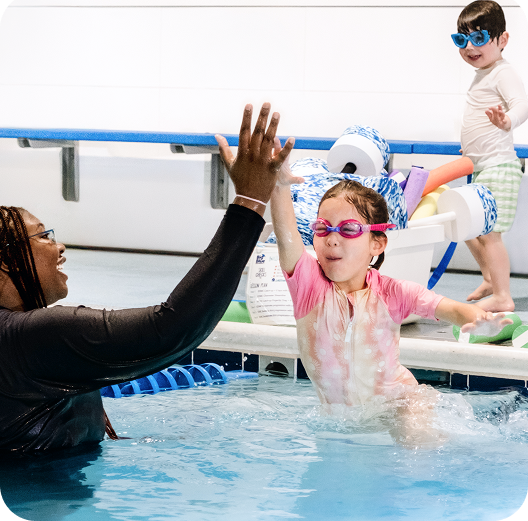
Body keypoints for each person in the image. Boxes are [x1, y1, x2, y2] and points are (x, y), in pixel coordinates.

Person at [0, 103, 294, 454]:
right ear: (5, 264)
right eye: (43, 235)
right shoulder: (32, 338)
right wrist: (249, 202)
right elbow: (171, 328)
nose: (58, 246)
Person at [270, 155, 511, 447]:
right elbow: (286, 236)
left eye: (348, 230)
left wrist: (477, 319)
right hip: (344, 421)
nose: (332, 239)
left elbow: (448, 308)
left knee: (415, 444)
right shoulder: (309, 288)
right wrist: (279, 186)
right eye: (323, 229)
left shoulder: (393, 293)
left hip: (403, 405)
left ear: (377, 243)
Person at [453, 0, 528, 311]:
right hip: (484, 166)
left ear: (502, 40)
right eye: (462, 39)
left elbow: (522, 103)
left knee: (490, 233)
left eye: (480, 38)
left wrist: (508, 121)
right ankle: (489, 277)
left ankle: (502, 296)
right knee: (464, 223)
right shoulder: (483, 73)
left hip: (500, 168)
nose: (470, 46)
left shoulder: (501, 71)